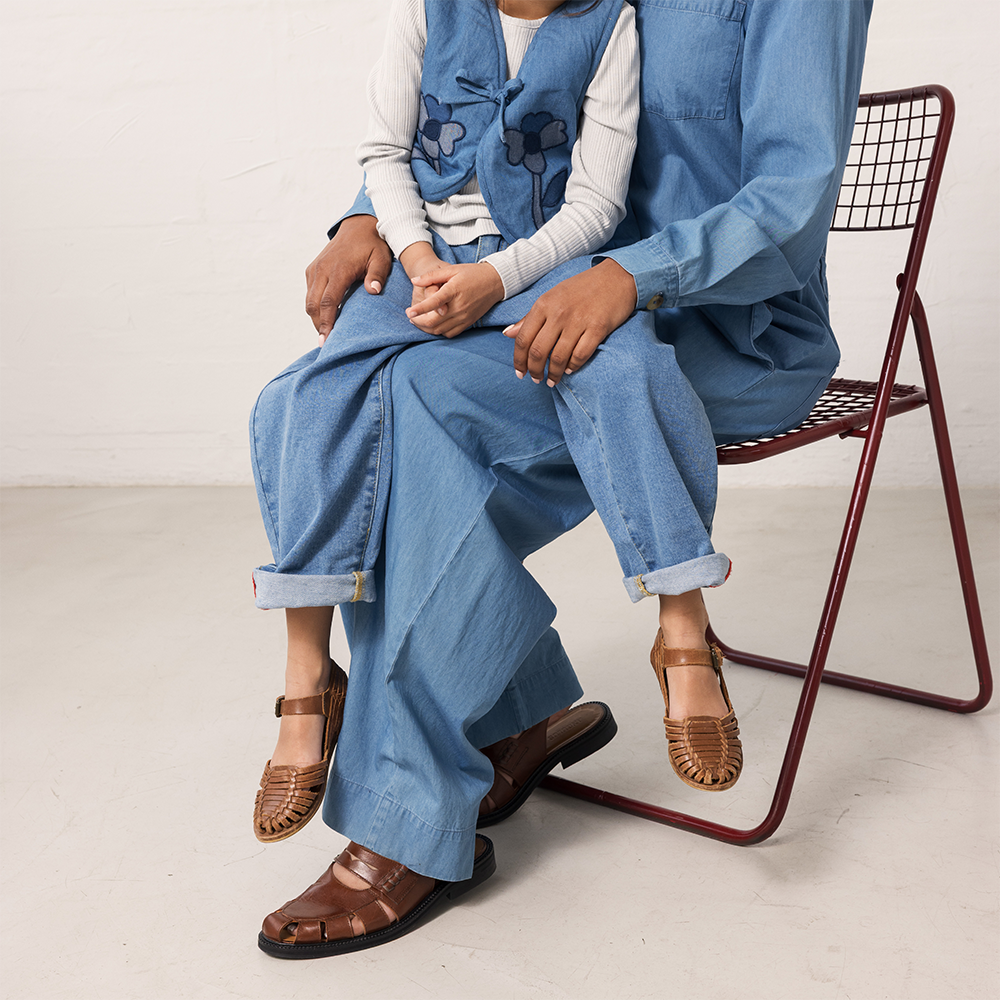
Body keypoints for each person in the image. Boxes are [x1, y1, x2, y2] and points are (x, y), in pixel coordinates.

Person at [254, 0, 874, 959]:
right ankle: (504, 717)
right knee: (348, 393)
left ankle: (406, 813)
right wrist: (364, 215)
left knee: (414, 405)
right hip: (538, 283)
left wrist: (630, 276)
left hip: (723, 326)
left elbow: (792, 200)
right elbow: (486, 87)